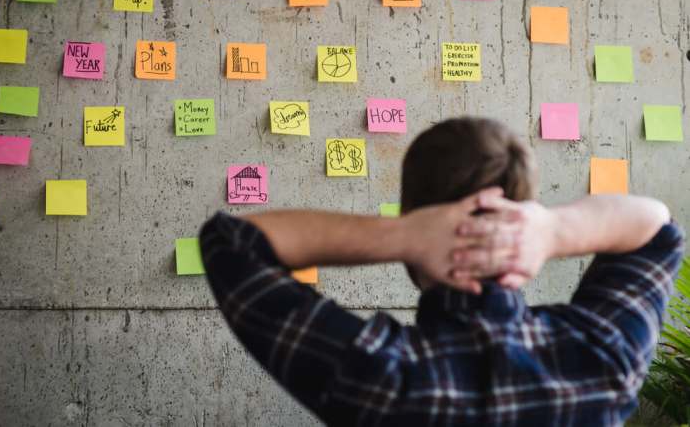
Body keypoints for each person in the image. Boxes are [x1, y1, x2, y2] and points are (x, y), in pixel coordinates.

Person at [199, 118, 684, 426]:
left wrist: (403, 234)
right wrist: (554, 230)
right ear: (524, 213)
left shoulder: (374, 377)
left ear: (413, 212)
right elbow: (657, 230)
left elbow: (231, 241)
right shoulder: (601, 358)